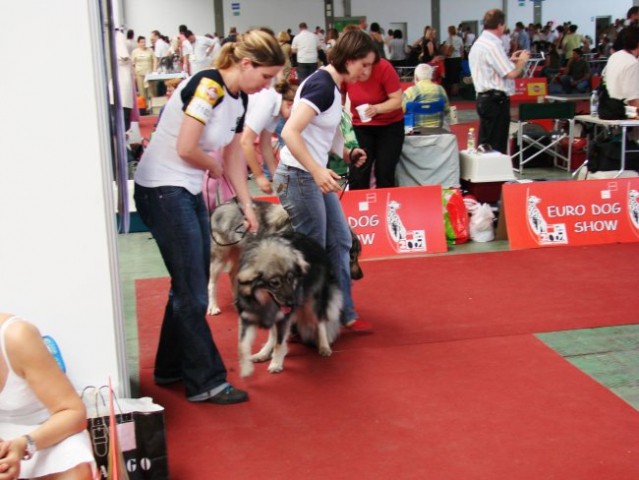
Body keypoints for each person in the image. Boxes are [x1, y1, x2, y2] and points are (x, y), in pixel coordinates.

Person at [133, 30, 285, 405]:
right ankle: (206, 381)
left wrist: (248, 205)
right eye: (266, 76)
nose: (269, 86)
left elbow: (234, 154)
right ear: (245, 64)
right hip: (163, 190)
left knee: (189, 284)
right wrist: (210, 165)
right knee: (192, 292)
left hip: (183, 190)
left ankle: (170, 367)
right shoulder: (208, 86)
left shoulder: (239, 100)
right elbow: (188, 147)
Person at [273, 29, 374, 332]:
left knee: (341, 241)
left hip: (310, 176)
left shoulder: (332, 84)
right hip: (299, 177)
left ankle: (341, 313)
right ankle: (296, 323)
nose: (366, 72)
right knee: (311, 253)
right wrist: (317, 170)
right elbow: (289, 133)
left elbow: (319, 134)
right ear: (349, 59)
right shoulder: (323, 86)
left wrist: (346, 151)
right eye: (364, 65)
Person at [0, 313, 95, 479]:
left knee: (74, 468)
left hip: (48, 434)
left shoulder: (17, 336)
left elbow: (73, 413)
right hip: (4, 438)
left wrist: (23, 445)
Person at [469, 9, 530, 154]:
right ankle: (494, 176)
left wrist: (508, 61)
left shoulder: (480, 43)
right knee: (496, 147)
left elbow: (491, 68)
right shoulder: (493, 45)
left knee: (485, 144)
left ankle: (485, 175)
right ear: (500, 25)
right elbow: (511, 73)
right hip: (496, 101)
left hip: (484, 98)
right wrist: (522, 62)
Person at [345, 51, 404, 189]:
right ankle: (357, 207)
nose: (363, 71)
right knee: (358, 171)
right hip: (361, 125)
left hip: (390, 125)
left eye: (367, 65)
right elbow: (340, 100)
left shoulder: (384, 67)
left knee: (384, 171)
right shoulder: (346, 72)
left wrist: (377, 109)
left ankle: (385, 206)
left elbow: (397, 101)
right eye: (361, 66)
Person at [241, 79, 297, 193]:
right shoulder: (268, 103)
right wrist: (259, 176)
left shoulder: (276, 110)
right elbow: (246, 142)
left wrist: (277, 179)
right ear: (290, 104)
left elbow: (265, 145)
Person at [402, 63, 450, 129]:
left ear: (416, 77)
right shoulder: (440, 89)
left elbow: (401, 111)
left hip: (415, 130)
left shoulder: (410, 91)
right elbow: (446, 110)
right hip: (438, 129)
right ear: (432, 76)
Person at [603, 26, 639, 111]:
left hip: (610, 106)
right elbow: (633, 99)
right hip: (626, 112)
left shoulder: (614, 56)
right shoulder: (632, 63)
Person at [442, 25, 464, 96]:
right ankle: (456, 92)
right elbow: (462, 49)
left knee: (450, 76)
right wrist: (461, 58)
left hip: (450, 59)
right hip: (457, 58)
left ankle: (450, 93)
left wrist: (444, 56)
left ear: (449, 31)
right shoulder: (459, 39)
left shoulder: (449, 39)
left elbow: (446, 50)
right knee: (456, 76)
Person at [132, 35, 154, 101]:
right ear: (138, 43)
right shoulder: (135, 52)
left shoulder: (150, 50)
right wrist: (134, 75)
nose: (143, 44)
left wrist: (154, 70)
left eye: (144, 42)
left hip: (149, 74)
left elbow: (154, 60)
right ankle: (144, 108)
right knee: (142, 92)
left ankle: (151, 106)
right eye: (141, 42)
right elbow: (133, 64)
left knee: (150, 91)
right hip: (139, 74)